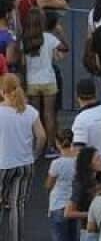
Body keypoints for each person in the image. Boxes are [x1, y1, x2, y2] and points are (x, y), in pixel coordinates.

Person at [0, 74, 44, 241]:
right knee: (17, 206)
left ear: (2, 91)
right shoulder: (30, 111)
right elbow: (42, 137)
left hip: (3, 164)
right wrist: (35, 154)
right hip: (25, 164)